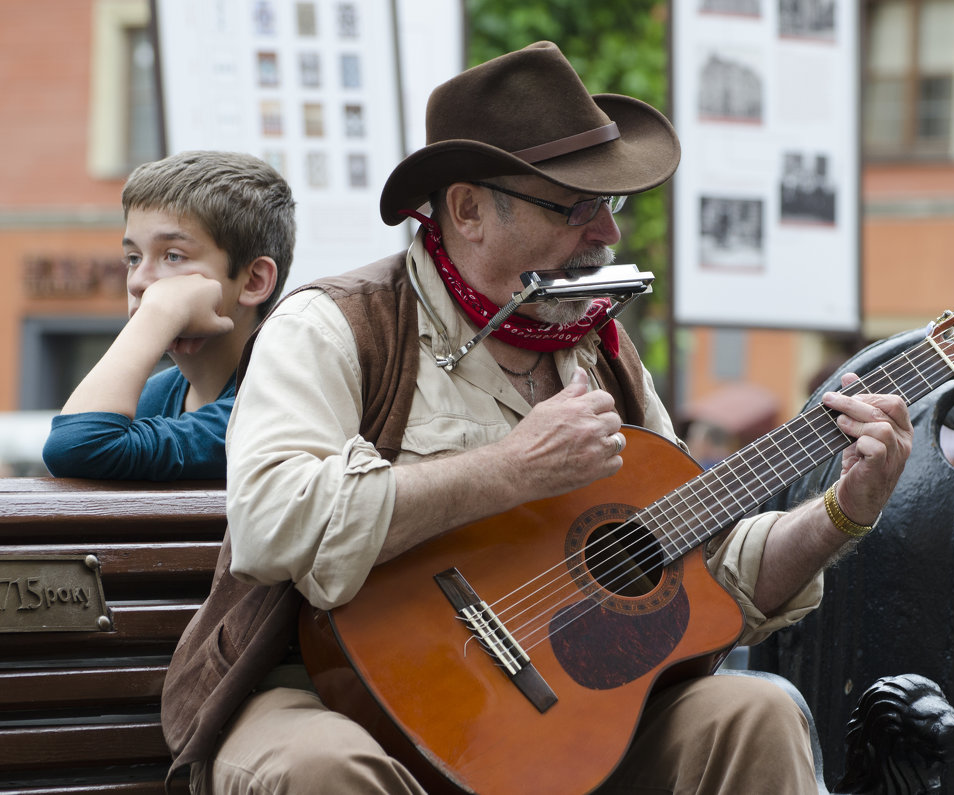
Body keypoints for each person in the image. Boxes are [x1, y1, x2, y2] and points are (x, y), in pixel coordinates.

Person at [161, 42, 913, 794]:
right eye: (575, 206)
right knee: (324, 771)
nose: (607, 235)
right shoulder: (336, 328)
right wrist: (510, 467)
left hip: (549, 717)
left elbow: (705, 559)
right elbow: (268, 524)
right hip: (323, 687)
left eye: (610, 205)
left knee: (754, 711)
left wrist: (842, 512)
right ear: (468, 209)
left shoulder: (600, 351)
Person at [41, 151, 295, 480]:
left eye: (173, 256)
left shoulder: (278, 397)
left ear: (254, 281)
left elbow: (76, 446)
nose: (138, 280)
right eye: (133, 257)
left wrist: (157, 315)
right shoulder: (156, 395)